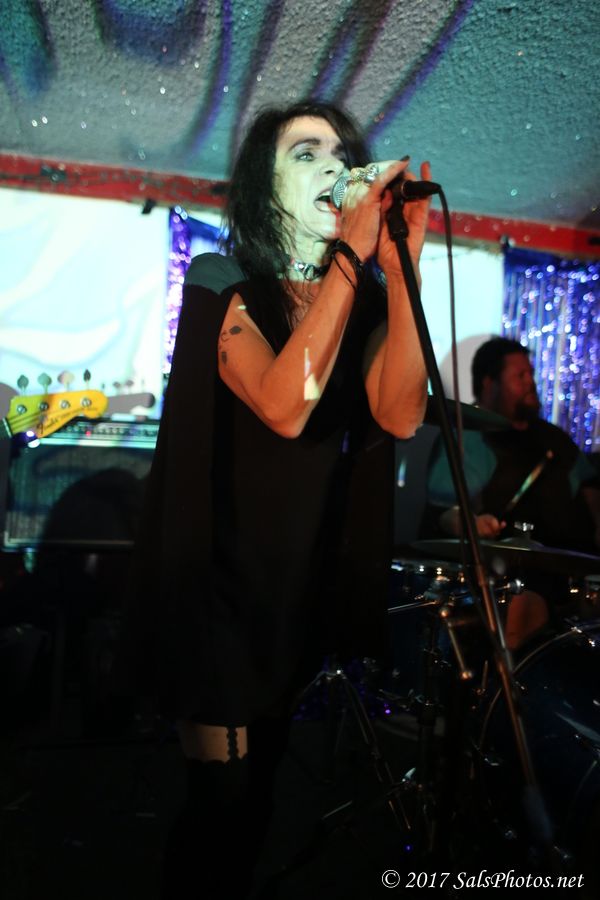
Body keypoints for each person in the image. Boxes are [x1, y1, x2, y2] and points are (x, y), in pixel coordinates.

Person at [115, 100, 431, 898]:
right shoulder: (223, 281)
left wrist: (403, 274)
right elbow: (285, 405)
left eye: (342, 151)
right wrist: (353, 256)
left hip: (297, 594)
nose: (335, 164)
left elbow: (400, 414)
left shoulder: (358, 304)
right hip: (217, 593)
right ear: (264, 186)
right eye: (306, 151)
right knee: (220, 808)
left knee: (258, 807)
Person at [424, 337, 600, 647]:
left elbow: (591, 489)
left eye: (530, 373)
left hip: (573, 575)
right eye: (519, 376)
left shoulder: (554, 439)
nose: (530, 382)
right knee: (519, 608)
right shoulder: (470, 438)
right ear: (489, 383)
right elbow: (443, 512)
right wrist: (469, 523)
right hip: (509, 580)